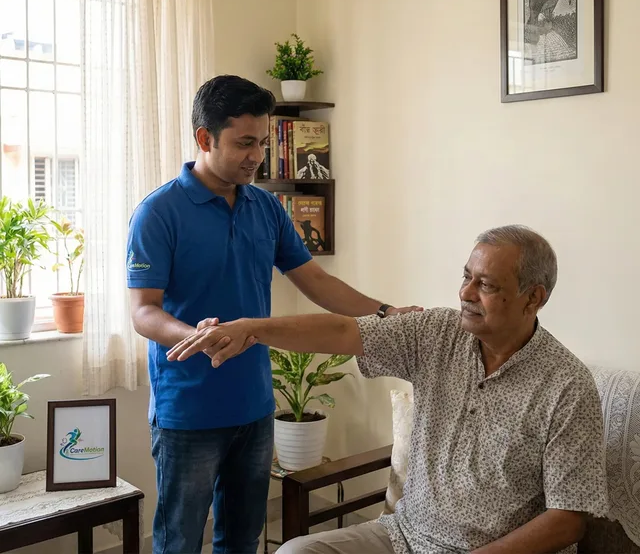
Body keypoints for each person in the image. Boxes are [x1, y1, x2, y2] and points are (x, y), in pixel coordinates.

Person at [168, 225, 609, 554]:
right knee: (295, 552)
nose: (465, 292)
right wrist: (253, 329)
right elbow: (344, 331)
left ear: (534, 298)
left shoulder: (566, 387)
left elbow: (568, 519)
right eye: (466, 276)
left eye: (486, 285)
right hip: (404, 536)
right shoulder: (439, 332)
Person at [126, 74, 421, 554]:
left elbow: (317, 282)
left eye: (261, 143)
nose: (256, 156)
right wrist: (196, 335)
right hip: (188, 412)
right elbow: (143, 312)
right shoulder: (158, 213)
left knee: (243, 538)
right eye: (244, 143)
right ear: (204, 138)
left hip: (255, 408)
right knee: (179, 541)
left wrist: (386, 312)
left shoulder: (265, 207)